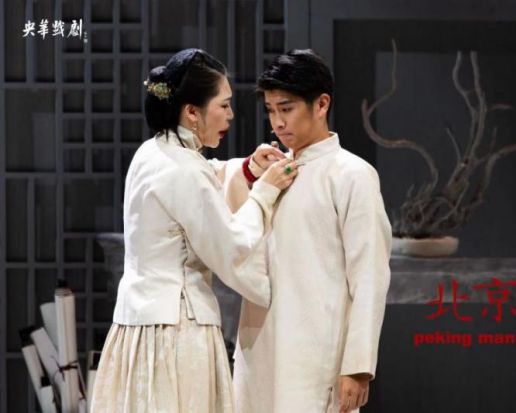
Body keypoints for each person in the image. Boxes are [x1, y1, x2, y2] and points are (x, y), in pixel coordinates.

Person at [90, 48, 297, 413]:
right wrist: (265, 191)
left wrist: (248, 170)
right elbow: (232, 244)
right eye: (224, 105)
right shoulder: (185, 169)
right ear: (191, 112)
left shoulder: (151, 152)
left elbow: (202, 182)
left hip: (137, 325)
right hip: (177, 329)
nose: (230, 115)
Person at [230, 49, 392, 413]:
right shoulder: (273, 173)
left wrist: (358, 365)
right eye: (271, 111)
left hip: (316, 355)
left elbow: (369, 275)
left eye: (286, 109)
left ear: (321, 104)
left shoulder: (352, 174)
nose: (277, 122)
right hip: (260, 348)